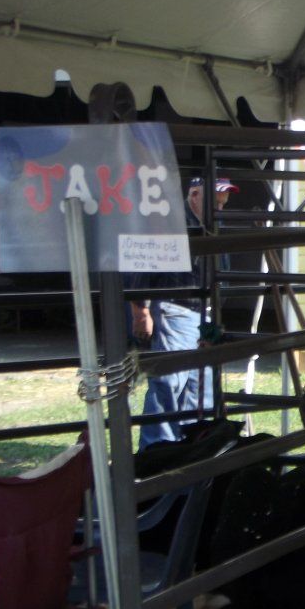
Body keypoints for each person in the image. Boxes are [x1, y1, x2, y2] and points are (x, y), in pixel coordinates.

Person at [129, 177, 239, 449]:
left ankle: (192, 448)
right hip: (176, 309)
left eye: (223, 203)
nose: (221, 208)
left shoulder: (213, 226)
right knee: (169, 382)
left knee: (201, 386)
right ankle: (157, 452)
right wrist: (141, 310)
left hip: (208, 313)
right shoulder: (170, 224)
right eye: (216, 202)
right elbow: (142, 265)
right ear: (194, 196)